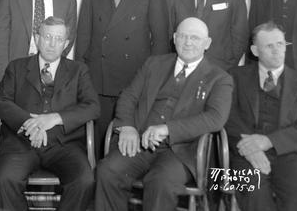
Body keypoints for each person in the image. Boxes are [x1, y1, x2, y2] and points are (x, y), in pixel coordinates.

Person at [95, 17, 233, 211]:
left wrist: (168, 129)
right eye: (183, 36)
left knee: (160, 182)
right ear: (174, 38)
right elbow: (128, 96)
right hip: (139, 143)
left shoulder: (219, 78)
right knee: (107, 171)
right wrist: (127, 127)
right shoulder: (153, 64)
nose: (188, 42)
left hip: (180, 152)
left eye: (195, 38)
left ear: (207, 43)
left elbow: (215, 118)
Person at [0, 17, 100, 211]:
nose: (52, 43)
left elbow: (93, 106)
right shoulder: (16, 67)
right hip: (21, 143)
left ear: (66, 44)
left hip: (64, 145)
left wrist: (54, 118)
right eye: (47, 36)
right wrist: (29, 123)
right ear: (37, 38)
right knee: (2, 179)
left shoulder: (78, 70)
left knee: (84, 181)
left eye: (59, 39)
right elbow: (0, 102)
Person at [76, 0, 170, 148]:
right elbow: (83, 35)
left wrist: (154, 81)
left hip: (135, 80)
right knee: (99, 144)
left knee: (130, 146)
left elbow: (161, 40)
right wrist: (82, 77)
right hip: (99, 79)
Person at [225, 22, 297, 211]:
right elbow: (227, 116)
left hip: (290, 154)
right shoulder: (234, 76)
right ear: (255, 50)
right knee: (254, 195)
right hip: (242, 155)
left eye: (280, 44)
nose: (276, 50)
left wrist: (268, 141)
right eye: (269, 46)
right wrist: (250, 148)